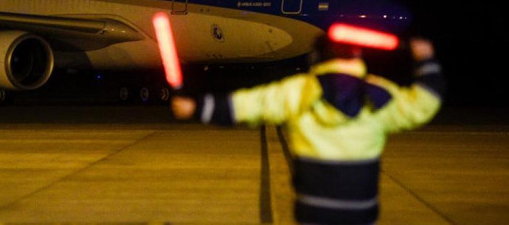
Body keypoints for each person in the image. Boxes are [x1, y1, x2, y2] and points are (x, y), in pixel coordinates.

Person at [171, 25, 445, 225]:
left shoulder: (301, 91)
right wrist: (426, 60)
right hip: (361, 208)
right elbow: (424, 104)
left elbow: (249, 105)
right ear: (357, 56)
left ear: (318, 57)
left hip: (313, 209)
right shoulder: (378, 93)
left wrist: (196, 108)